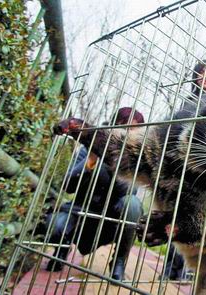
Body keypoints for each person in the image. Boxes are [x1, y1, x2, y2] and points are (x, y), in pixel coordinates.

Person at [45, 107, 144, 281]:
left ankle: (119, 261)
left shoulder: (135, 159)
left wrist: (119, 164)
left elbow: (129, 192)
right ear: (114, 127)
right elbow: (68, 185)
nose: (129, 133)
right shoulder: (87, 148)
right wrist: (90, 162)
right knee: (55, 224)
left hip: (109, 222)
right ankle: (61, 249)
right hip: (79, 214)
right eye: (126, 127)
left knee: (133, 204)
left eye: (135, 130)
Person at [162, 61, 206, 281]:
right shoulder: (189, 103)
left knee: (196, 223)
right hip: (185, 168)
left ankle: (186, 270)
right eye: (203, 73)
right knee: (177, 221)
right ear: (196, 77)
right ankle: (170, 269)